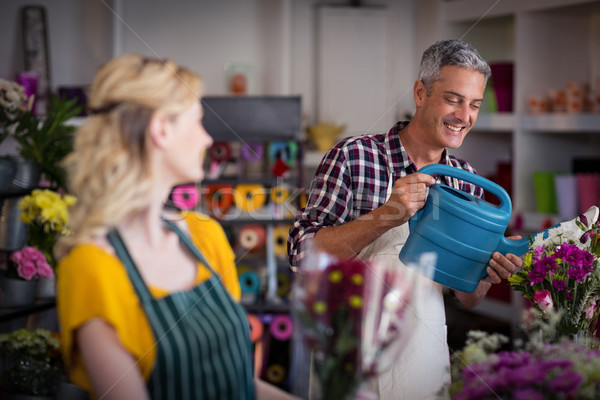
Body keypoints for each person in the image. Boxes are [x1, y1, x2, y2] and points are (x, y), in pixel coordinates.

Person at [288, 39, 523, 399]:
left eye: (474, 104)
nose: (464, 116)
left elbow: (467, 295)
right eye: (453, 99)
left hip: (422, 357)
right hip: (349, 354)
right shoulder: (354, 156)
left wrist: (487, 276)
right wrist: (386, 216)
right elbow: (303, 257)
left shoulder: (464, 178)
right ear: (420, 93)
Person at [55, 54, 298, 400]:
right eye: (198, 122)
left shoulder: (205, 235)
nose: (206, 139)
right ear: (161, 130)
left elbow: (240, 385)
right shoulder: (92, 268)